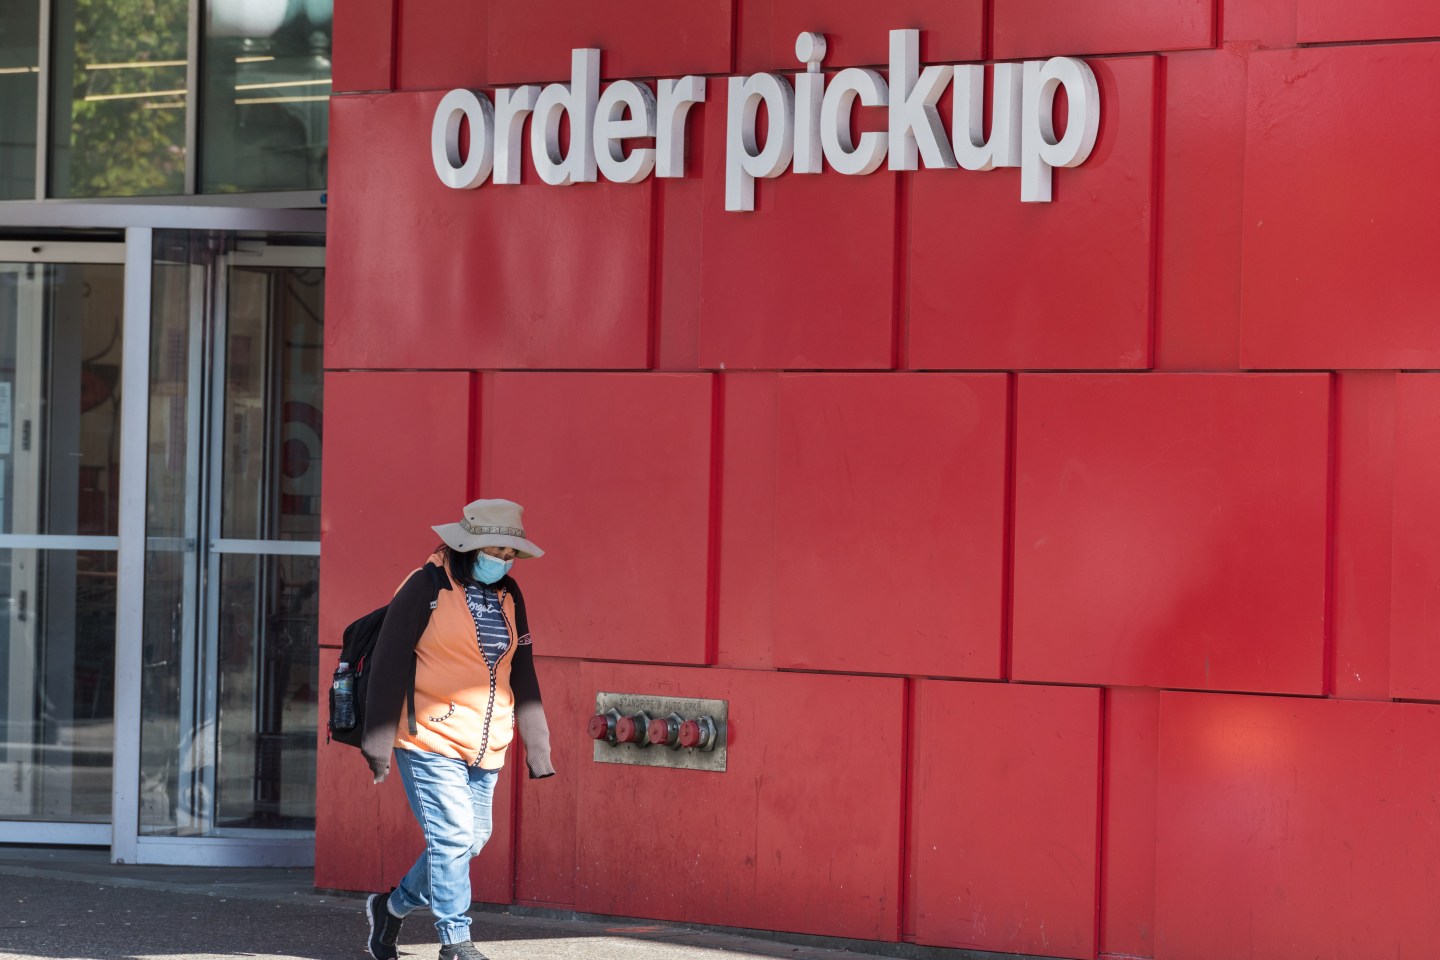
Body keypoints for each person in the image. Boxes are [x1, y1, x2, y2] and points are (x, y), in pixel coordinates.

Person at [359, 498, 555, 960]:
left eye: (510, 554)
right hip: (429, 735)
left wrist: (538, 745)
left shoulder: (510, 595)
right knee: (450, 837)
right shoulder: (424, 586)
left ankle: (391, 907)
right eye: (495, 551)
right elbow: (387, 664)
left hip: (486, 742)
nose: (503, 562)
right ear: (467, 546)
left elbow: (522, 669)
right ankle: (455, 941)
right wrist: (378, 743)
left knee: (472, 839)